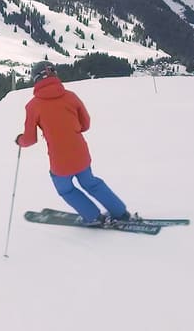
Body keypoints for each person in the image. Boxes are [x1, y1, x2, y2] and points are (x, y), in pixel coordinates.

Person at [15, 61, 132, 225]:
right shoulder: (71, 96)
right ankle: (120, 212)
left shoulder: (33, 106)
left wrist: (20, 140)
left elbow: (30, 139)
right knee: (91, 183)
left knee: (66, 189)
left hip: (59, 159)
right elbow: (86, 124)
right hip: (80, 152)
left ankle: (93, 217)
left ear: (35, 79)